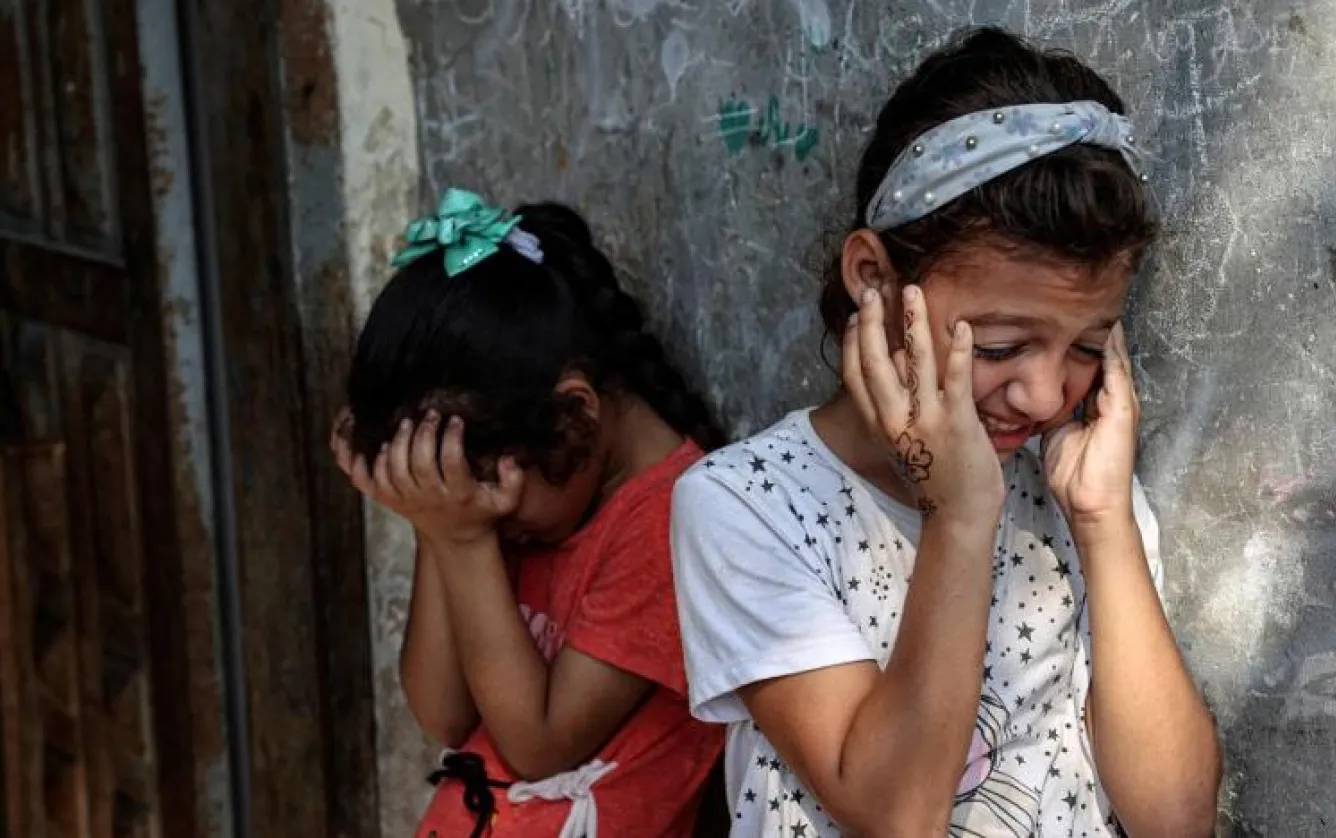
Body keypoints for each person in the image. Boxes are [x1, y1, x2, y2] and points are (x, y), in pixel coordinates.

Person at [670, 28, 1221, 838]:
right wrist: (960, 516)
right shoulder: (748, 507)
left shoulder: (1078, 487)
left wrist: (1103, 524)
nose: (1041, 395)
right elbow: (899, 815)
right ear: (873, 280)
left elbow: (1177, 821)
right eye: (999, 347)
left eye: (1088, 348)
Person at [331, 189, 724, 837]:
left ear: (576, 412)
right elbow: (445, 715)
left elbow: (540, 746)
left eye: (482, 494)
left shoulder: (674, 520)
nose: (487, 518)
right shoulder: (523, 497)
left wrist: (461, 539)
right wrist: (439, 527)